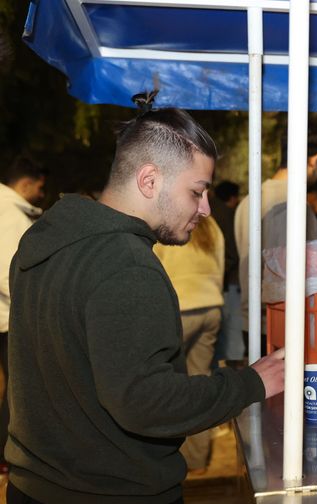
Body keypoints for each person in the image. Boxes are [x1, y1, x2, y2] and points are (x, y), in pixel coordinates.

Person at [5, 108, 285, 504]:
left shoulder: (44, 241)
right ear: (150, 180)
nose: (205, 208)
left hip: (34, 487)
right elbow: (146, 403)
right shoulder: (125, 264)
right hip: (113, 493)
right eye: (196, 191)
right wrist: (252, 383)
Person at [234, 122, 317, 341]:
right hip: (283, 326)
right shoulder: (297, 203)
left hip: (250, 323)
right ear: (314, 160)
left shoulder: (248, 201)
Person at [154, 216, 225, 475]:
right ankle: (197, 462)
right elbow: (220, 266)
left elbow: (154, 265)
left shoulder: (168, 219)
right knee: (200, 383)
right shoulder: (212, 226)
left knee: (164, 387)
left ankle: (167, 461)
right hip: (211, 306)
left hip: (179, 309)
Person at [0, 156, 46, 474]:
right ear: (25, 184)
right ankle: (7, 454)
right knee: (17, 390)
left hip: (5, 314)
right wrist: (30, 307)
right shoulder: (11, 215)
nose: (42, 195)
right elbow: (8, 272)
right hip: (8, 316)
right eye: (40, 188)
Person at [211, 181, 245, 364]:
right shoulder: (226, 214)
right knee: (232, 327)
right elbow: (232, 253)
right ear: (232, 198)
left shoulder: (209, 212)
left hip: (211, 284)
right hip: (227, 282)